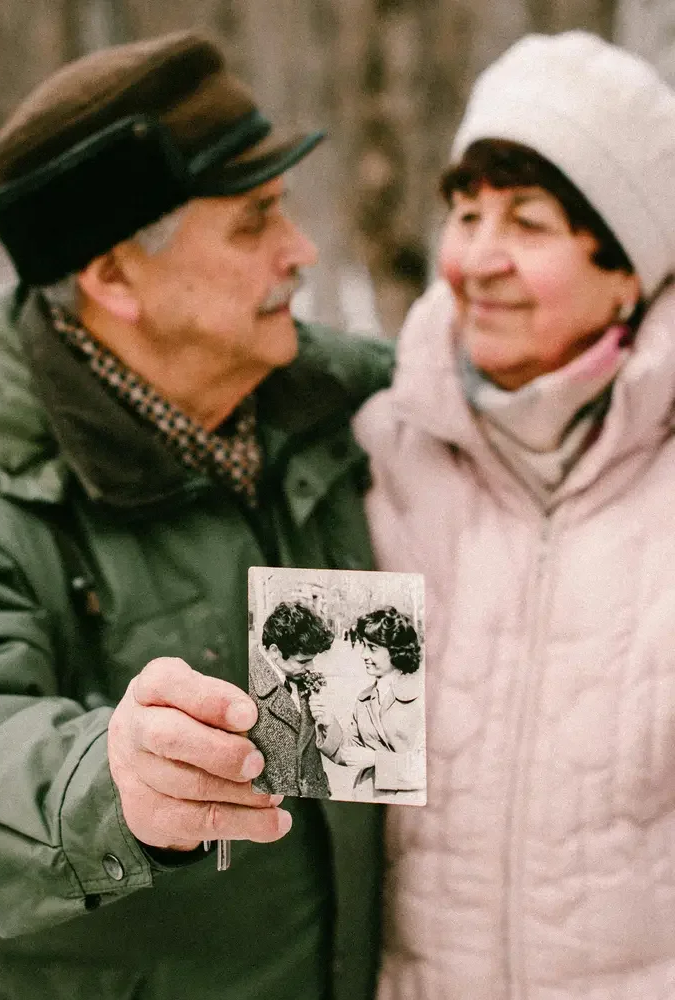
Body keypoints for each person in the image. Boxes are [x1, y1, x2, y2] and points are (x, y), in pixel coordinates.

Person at [0, 30, 394, 1000]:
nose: (301, 251)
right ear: (113, 277)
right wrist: (106, 783)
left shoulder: (337, 410)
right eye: (253, 222)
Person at [354, 30, 675, 1000]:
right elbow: (330, 800)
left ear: (628, 271)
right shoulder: (378, 457)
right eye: (465, 215)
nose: (475, 260)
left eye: (528, 223)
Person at [311, 607, 425, 801]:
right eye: (364, 645)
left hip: (406, 804)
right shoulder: (364, 699)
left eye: (372, 648)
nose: (363, 654)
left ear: (395, 651)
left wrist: (376, 760)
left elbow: (429, 769)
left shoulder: (420, 697)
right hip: (367, 798)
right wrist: (329, 723)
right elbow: (349, 753)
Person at [249, 601, 334, 797]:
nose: (311, 668)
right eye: (303, 661)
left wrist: (326, 723)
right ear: (275, 651)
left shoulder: (298, 674)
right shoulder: (248, 686)